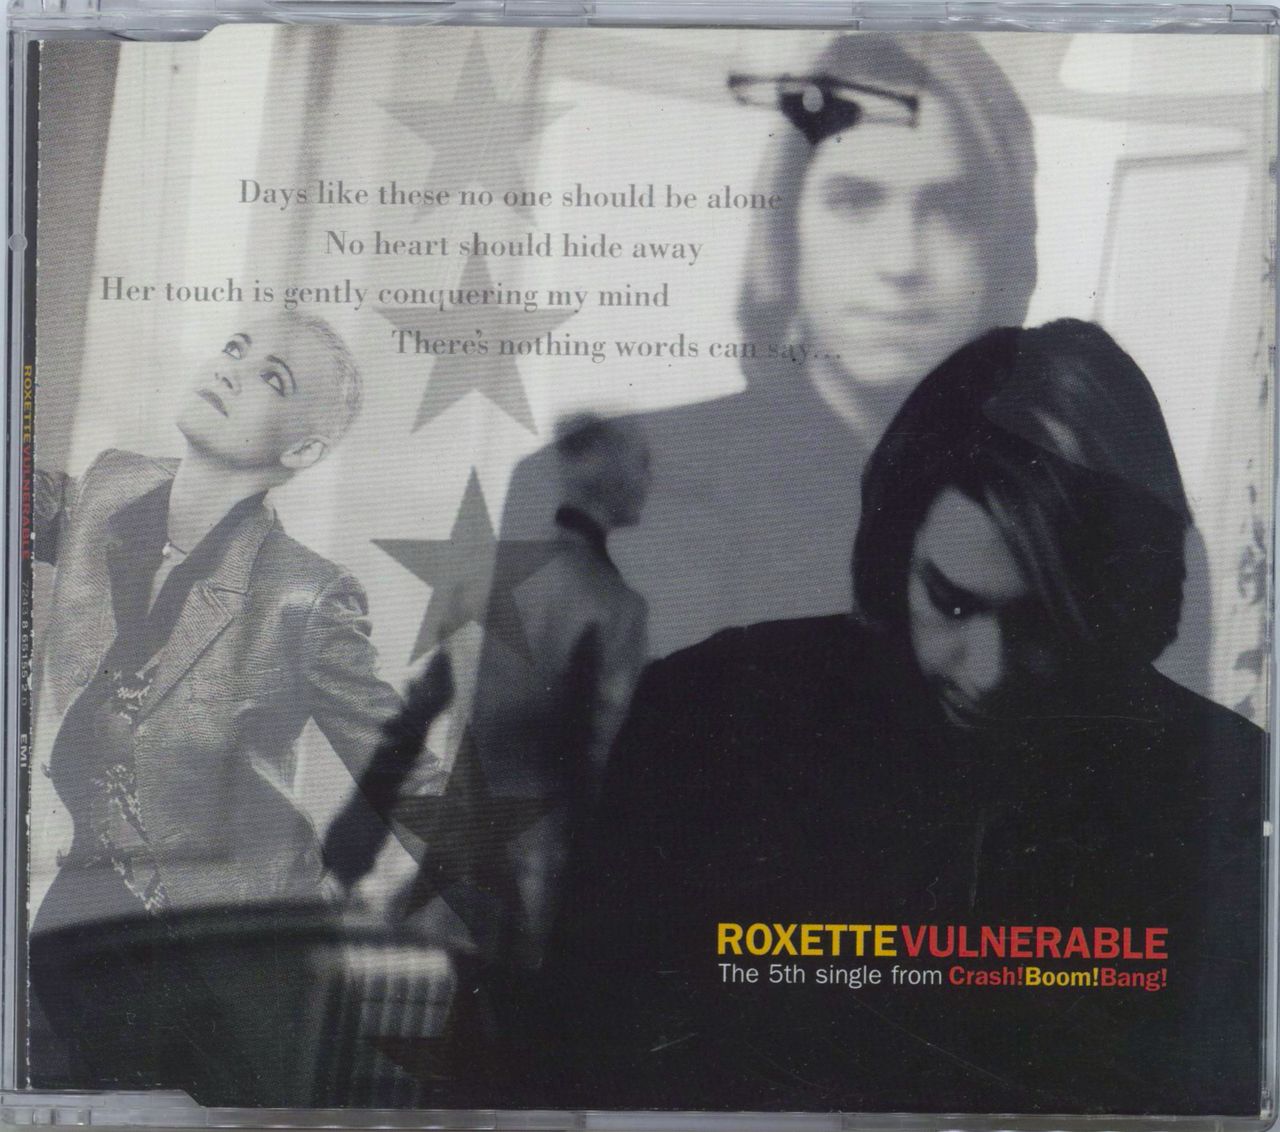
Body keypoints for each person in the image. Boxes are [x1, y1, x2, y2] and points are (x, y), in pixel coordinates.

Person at [543, 320, 1265, 1115]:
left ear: (1121, 602)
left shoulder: (1229, 787)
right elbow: (589, 1052)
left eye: (1046, 625)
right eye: (951, 601)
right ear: (894, 555)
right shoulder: (709, 714)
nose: (988, 674)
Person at [499, 32, 1039, 658]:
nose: (901, 262)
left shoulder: (1075, 507)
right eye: (854, 201)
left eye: (952, 210)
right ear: (788, 228)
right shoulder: (584, 491)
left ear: (1000, 250)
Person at [27, 314, 438, 1103]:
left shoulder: (305, 594)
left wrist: (530, 898)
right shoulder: (110, 491)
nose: (230, 370)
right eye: (235, 350)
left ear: (302, 451)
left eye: (272, 379)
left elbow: (407, 773)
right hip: (85, 919)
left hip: (234, 964)